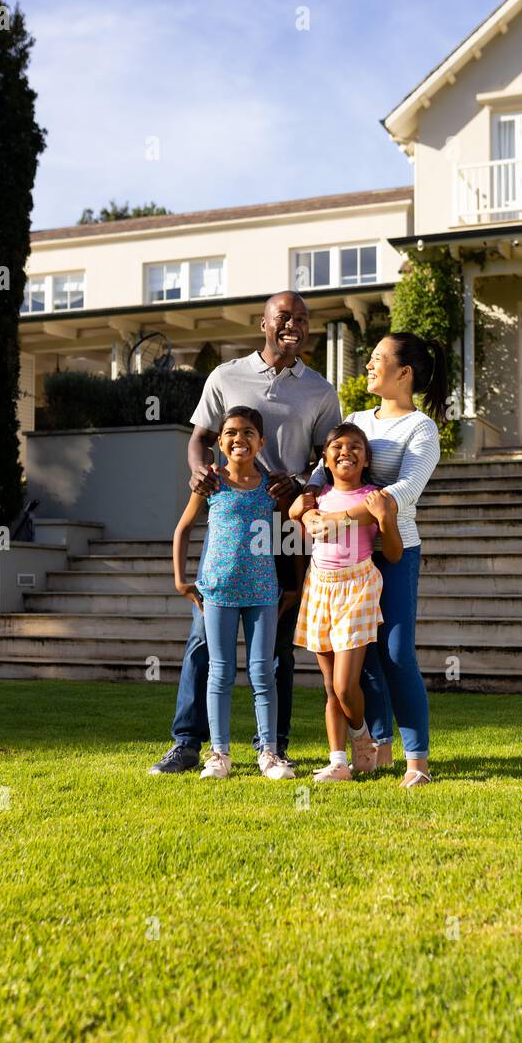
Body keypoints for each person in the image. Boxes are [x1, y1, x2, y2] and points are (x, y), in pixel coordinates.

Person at [150, 291, 342, 775]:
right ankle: (189, 743)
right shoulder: (225, 376)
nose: (292, 325)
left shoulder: (321, 391)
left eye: (301, 318)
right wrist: (198, 472)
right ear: (264, 323)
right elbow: (199, 438)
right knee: (202, 643)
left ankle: (271, 747)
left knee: (278, 643)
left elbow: (329, 458)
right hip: (231, 524)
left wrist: (300, 484)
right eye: (283, 317)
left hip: (283, 526)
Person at [290, 332, 447, 788]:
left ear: (405, 373)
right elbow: (321, 473)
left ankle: (418, 762)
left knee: (397, 653)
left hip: (393, 552)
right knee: (365, 657)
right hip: (341, 564)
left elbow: (404, 492)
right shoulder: (356, 418)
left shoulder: (421, 428)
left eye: (378, 359)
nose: (369, 366)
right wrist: (308, 505)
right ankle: (377, 747)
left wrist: (336, 520)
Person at [172, 407, 294, 780]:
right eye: (230, 433)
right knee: (220, 674)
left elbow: (290, 537)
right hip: (218, 593)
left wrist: (293, 586)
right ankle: (219, 755)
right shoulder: (210, 484)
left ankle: (270, 754)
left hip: (262, 594)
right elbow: (183, 529)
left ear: (261, 442)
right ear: (220, 441)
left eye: (247, 433)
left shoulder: (271, 489)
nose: (238, 438)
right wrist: (181, 579)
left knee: (262, 674)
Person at [292, 423, 401, 782]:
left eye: (355, 446)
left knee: (344, 686)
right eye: (336, 446)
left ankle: (362, 739)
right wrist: (307, 509)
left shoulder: (373, 497)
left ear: (366, 458)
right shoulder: (318, 498)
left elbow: (396, 554)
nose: (346, 452)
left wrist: (386, 519)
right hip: (320, 587)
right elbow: (294, 511)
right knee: (329, 689)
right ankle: (338, 761)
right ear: (324, 457)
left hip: (356, 588)